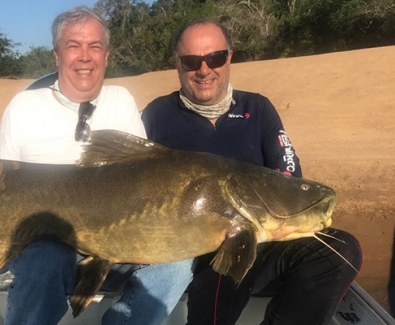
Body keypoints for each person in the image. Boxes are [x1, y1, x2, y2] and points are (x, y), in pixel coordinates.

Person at [140, 19, 363, 325]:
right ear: (177, 64)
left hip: (258, 243)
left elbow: (287, 177)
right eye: (191, 61)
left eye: (215, 58)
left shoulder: (258, 109)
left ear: (229, 58)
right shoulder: (155, 116)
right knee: (222, 279)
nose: (204, 70)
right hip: (192, 252)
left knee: (340, 250)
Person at [0, 6, 194, 325]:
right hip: (46, 241)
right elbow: (5, 186)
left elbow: (140, 177)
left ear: (107, 55)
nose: (85, 57)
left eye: (95, 46)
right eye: (74, 46)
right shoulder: (23, 107)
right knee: (44, 262)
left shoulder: (121, 101)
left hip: (116, 232)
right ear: (57, 55)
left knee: (177, 264)